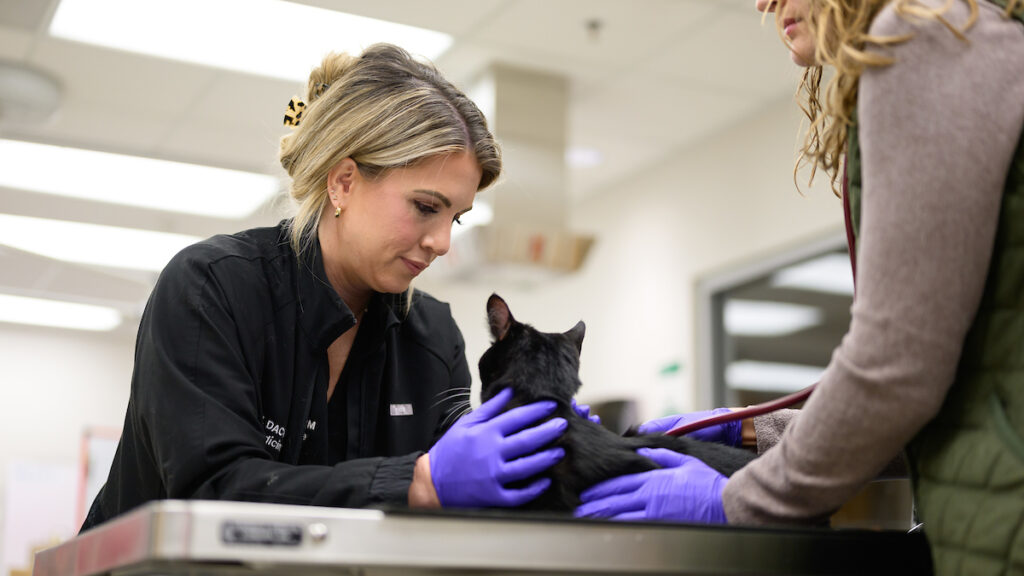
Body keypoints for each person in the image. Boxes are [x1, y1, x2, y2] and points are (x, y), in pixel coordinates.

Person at [576, 0, 1024, 572]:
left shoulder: (922, 38)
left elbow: (897, 373)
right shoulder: (969, 33)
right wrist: (744, 432)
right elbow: (954, 391)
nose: (763, 3)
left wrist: (738, 501)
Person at [81, 43, 571, 530]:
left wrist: (575, 469)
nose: (442, 242)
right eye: (425, 207)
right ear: (343, 182)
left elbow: (463, 502)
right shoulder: (212, 289)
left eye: (455, 218)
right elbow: (215, 492)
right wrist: (416, 482)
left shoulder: (432, 336)